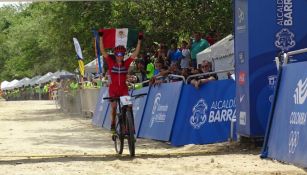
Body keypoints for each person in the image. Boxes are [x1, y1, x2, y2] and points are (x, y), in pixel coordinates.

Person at [99, 30, 143, 133]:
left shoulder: (126, 63)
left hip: (123, 89)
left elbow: (135, 53)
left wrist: (139, 41)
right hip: (113, 90)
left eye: (122, 54)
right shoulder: (110, 62)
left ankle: (129, 126)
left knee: (129, 106)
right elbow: (103, 51)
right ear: (115, 54)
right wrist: (101, 37)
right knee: (114, 107)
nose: (120, 56)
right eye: (118, 54)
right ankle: (113, 124)